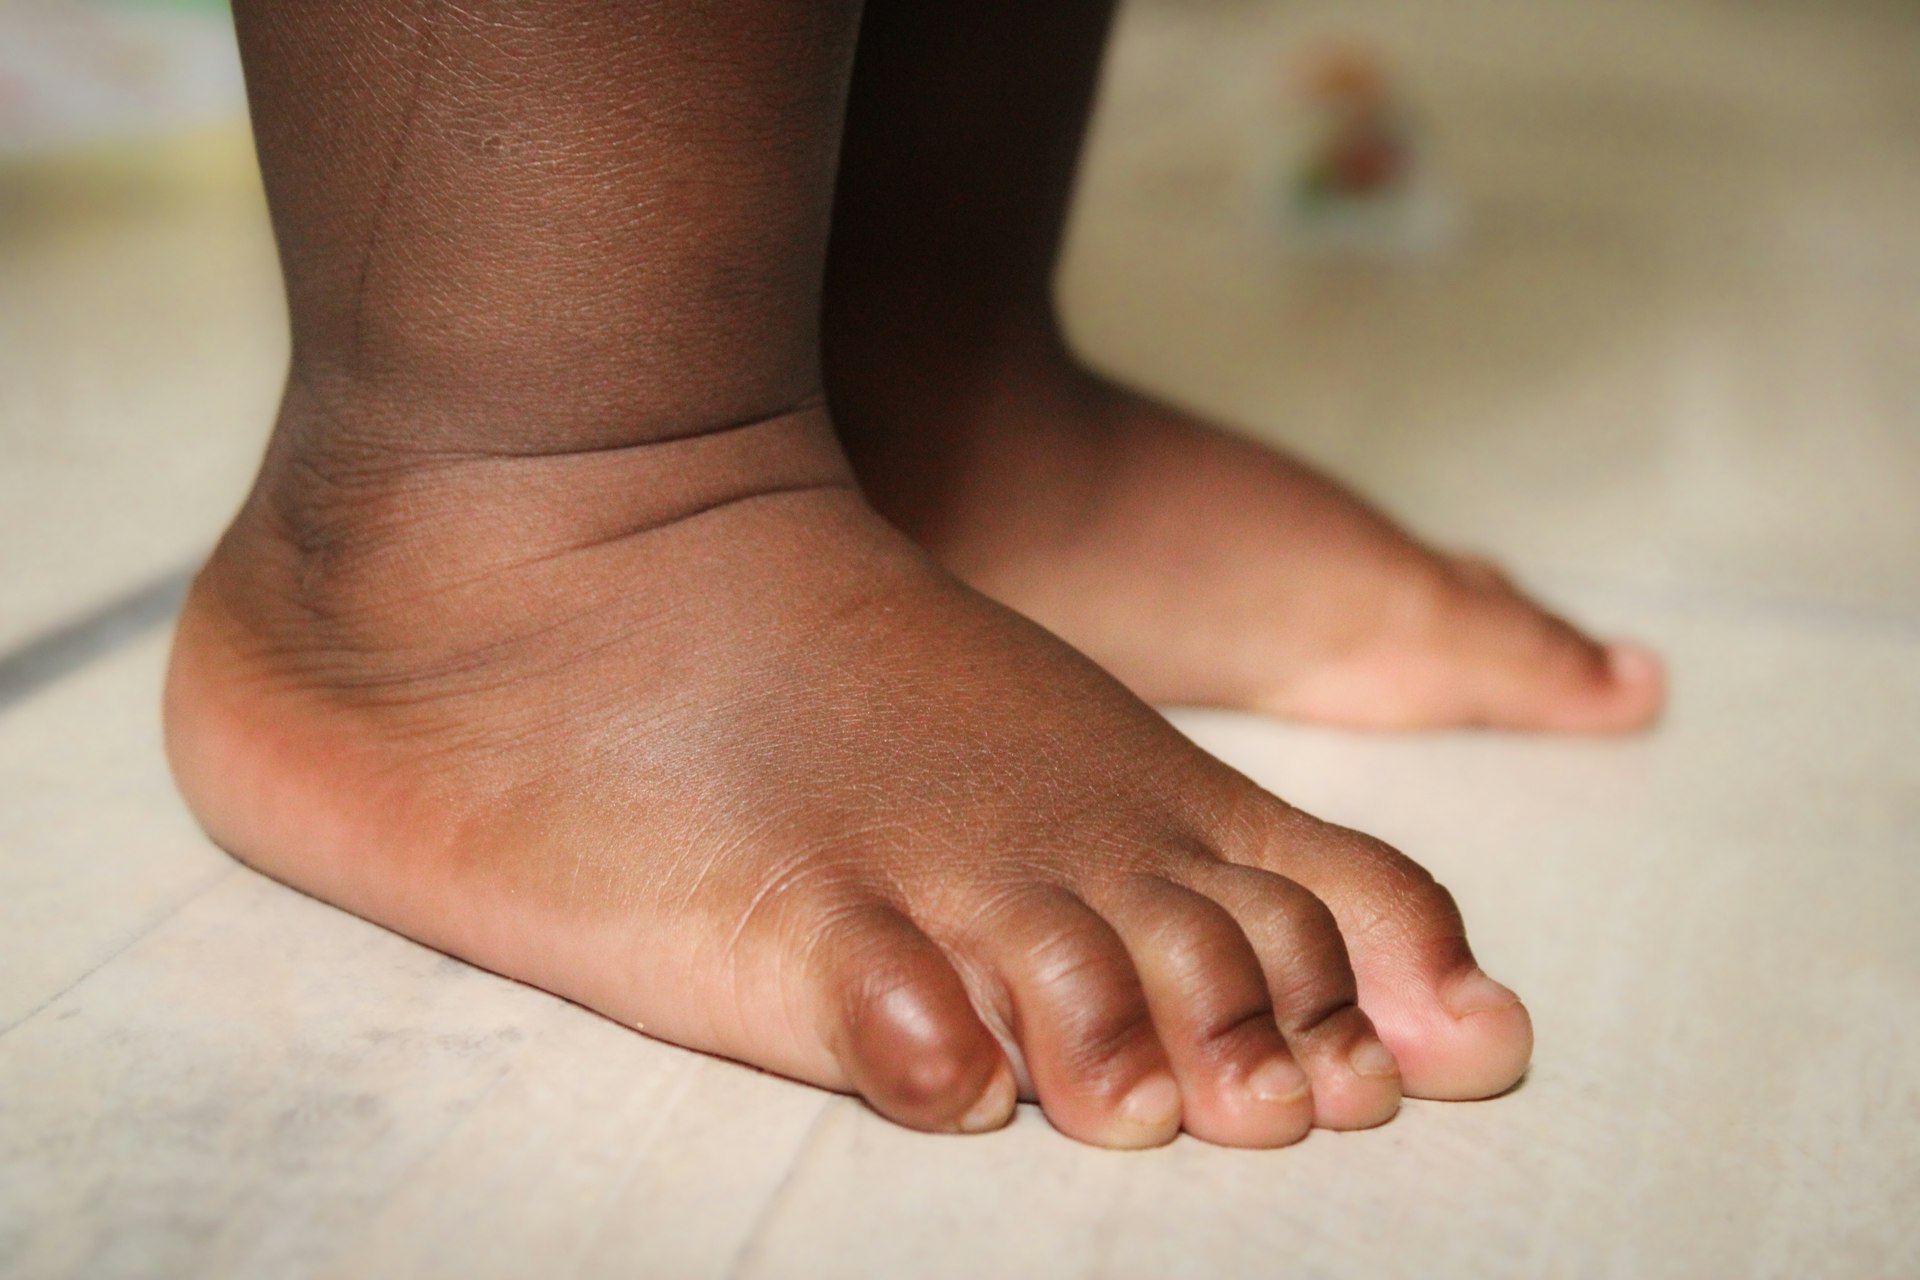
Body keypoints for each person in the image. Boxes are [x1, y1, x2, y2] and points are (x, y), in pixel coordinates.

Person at [164, 0, 1663, 1151]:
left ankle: (923, 379)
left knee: (918, 306)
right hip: (513, 509)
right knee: (544, 405)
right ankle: (524, 495)